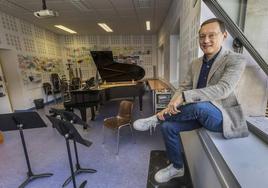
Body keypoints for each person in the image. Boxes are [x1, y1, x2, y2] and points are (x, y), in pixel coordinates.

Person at [133, 18, 249, 183]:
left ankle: (156, 118)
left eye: (211, 35)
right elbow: (183, 87)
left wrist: (185, 97)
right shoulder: (195, 63)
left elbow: (223, 89)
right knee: (167, 127)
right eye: (202, 36)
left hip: (221, 116)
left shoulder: (235, 60)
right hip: (196, 114)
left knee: (198, 106)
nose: (206, 40)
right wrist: (173, 102)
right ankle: (176, 167)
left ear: (224, 36)